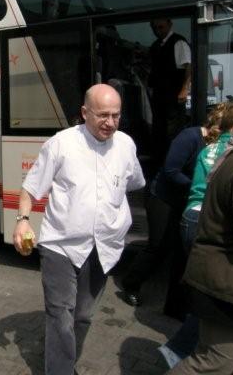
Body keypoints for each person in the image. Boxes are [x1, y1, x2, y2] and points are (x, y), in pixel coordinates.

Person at [13, 84, 145, 374]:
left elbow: (134, 182)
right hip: (60, 245)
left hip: (104, 247)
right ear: (85, 113)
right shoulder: (61, 144)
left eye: (116, 115)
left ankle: (66, 359)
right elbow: (30, 188)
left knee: (83, 315)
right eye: (103, 115)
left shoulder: (126, 146)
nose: (110, 122)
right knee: (60, 314)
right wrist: (22, 221)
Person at [120, 103, 229, 313]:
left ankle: (175, 305)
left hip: (186, 200)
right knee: (159, 246)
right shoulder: (190, 137)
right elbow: (171, 170)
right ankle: (131, 283)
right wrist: (198, 185)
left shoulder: (218, 144)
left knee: (181, 252)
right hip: (163, 197)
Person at [159, 101, 233, 368]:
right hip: (204, 218)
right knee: (214, 298)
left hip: (193, 215)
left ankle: (183, 345)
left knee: (205, 292)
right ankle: (180, 348)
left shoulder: (213, 148)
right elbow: (171, 171)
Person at [148, 18, 192, 165]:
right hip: (159, 97)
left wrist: (184, 89)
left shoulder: (178, 42)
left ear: (170, 24)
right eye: (155, 28)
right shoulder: (155, 46)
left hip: (173, 97)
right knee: (159, 132)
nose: (158, 31)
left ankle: (173, 165)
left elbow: (188, 66)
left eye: (161, 27)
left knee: (172, 133)